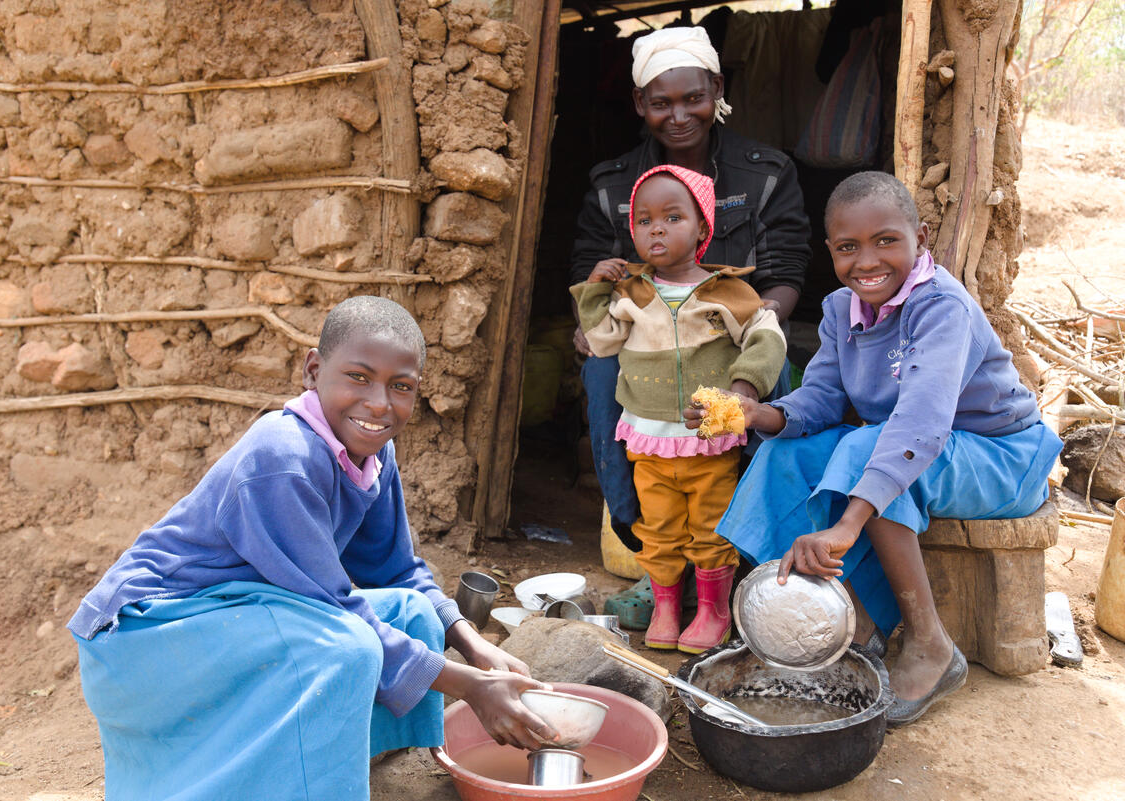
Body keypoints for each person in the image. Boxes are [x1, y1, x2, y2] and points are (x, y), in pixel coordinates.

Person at [67, 296, 557, 801]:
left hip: (234, 616)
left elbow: (399, 573)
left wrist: (477, 650)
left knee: (414, 613)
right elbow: (333, 608)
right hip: (145, 638)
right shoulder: (283, 457)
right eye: (359, 377)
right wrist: (473, 688)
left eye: (401, 386)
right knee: (347, 649)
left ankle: (333, 759)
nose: (379, 403)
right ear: (313, 369)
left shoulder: (373, 453)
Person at [690, 172, 1062, 725]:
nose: (867, 260)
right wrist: (757, 413)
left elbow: (919, 424)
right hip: (916, 450)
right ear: (831, 253)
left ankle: (931, 643)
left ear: (922, 236)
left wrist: (847, 525)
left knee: (870, 448)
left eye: (886, 240)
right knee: (785, 454)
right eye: (848, 247)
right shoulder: (842, 309)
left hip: (1001, 457)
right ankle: (840, 622)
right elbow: (819, 397)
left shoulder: (941, 308)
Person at [569, 26, 811, 623]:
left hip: (736, 335)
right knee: (601, 378)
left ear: (717, 91)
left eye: (692, 98)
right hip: (647, 345)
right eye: (660, 102)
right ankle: (659, 567)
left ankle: (747, 558)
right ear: (639, 105)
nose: (678, 115)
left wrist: (749, 326)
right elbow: (589, 270)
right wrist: (592, 317)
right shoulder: (611, 186)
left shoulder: (766, 173)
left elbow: (787, 269)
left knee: (776, 378)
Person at [571, 164, 786, 654]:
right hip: (647, 439)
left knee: (710, 526)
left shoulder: (728, 293)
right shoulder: (631, 294)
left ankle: (711, 611)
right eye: (644, 222)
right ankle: (668, 606)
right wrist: (597, 289)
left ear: (703, 228)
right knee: (659, 527)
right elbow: (602, 343)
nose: (657, 229)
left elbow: (766, 338)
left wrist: (742, 389)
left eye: (672, 217)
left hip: (709, 441)